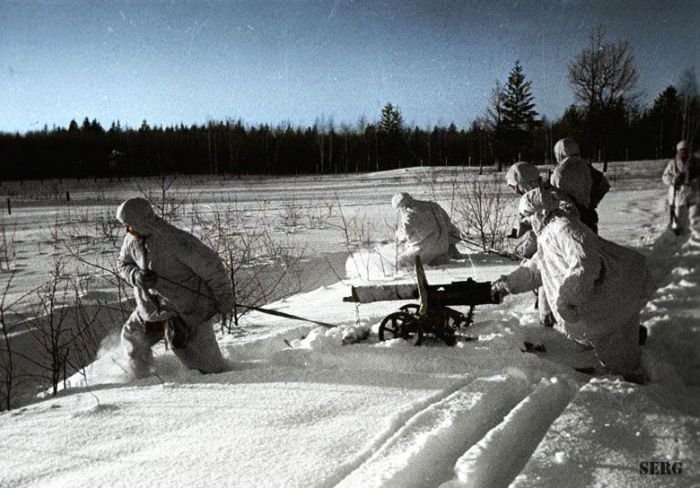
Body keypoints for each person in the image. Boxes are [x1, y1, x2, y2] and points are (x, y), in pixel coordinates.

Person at [491, 188, 654, 382]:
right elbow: (536, 269)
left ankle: (641, 392)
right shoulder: (549, 232)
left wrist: (568, 300)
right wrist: (507, 284)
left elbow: (587, 262)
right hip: (606, 298)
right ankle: (634, 341)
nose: (526, 222)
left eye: (527, 217)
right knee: (608, 338)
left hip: (611, 298)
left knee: (623, 364)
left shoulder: (564, 228)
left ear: (540, 212)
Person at [116, 197, 234, 378]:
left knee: (209, 370)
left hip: (189, 312)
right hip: (150, 310)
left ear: (141, 221)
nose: (127, 229)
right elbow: (123, 264)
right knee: (133, 337)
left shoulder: (176, 240)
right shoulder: (131, 239)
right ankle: (142, 380)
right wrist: (136, 276)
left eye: (129, 224)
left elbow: (213, 267)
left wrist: (224, 299)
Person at [504, 162, 579, 327]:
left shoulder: (543, 200)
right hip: (561, 256)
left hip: (563, 260)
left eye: (515, 187)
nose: (515, 192)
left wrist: (523, 250)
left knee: (563, 311)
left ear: (523, 183)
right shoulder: (547, 195)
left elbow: (544, 238)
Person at [550, 138, 610, 233]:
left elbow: (555, 196)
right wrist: (592, 203)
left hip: (568, 219)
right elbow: (604, 185)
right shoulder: (586, 166)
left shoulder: (559, 171)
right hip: (588, 216)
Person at [392, 192, 462, 267]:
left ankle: (431, 258)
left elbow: (403, 233)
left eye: (399, 210)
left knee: (398, 262)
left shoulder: (410, 213)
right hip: (443, 246)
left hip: (424, 250)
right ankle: (443, 255)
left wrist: (396, 233)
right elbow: (449, 225)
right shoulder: (434, 206)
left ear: (402, 206)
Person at [662, 140, 700, 235]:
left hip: (692, 193)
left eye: (686, 150)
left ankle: (691, 235)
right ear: (678, 151)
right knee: (677, 215)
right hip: (677, 194)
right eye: (681, 150)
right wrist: (674, 180)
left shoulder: (695, 163)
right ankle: (676, 235)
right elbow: (664, 177)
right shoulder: (672, 164)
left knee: (692, 216)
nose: (684, 153)